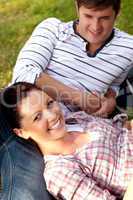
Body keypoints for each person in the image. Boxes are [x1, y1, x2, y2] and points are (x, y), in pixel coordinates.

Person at [1, 82, 133, 200]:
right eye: (37, 117)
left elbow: (122, 128)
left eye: (49, 103)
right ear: (21, 132)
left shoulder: (76, 119)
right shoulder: (59, 172)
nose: (52, 116)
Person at [12, 0, 133, 117]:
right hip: (26, 120)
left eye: (104, 18)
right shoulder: (53, 29)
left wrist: (111, 101)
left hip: (79, 128)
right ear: (77, 7)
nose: (96, 27)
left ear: (117, 13)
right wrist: (79, 98)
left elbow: (114, 86)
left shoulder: (128, 48)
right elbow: (24, 73)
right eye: (88, 16)